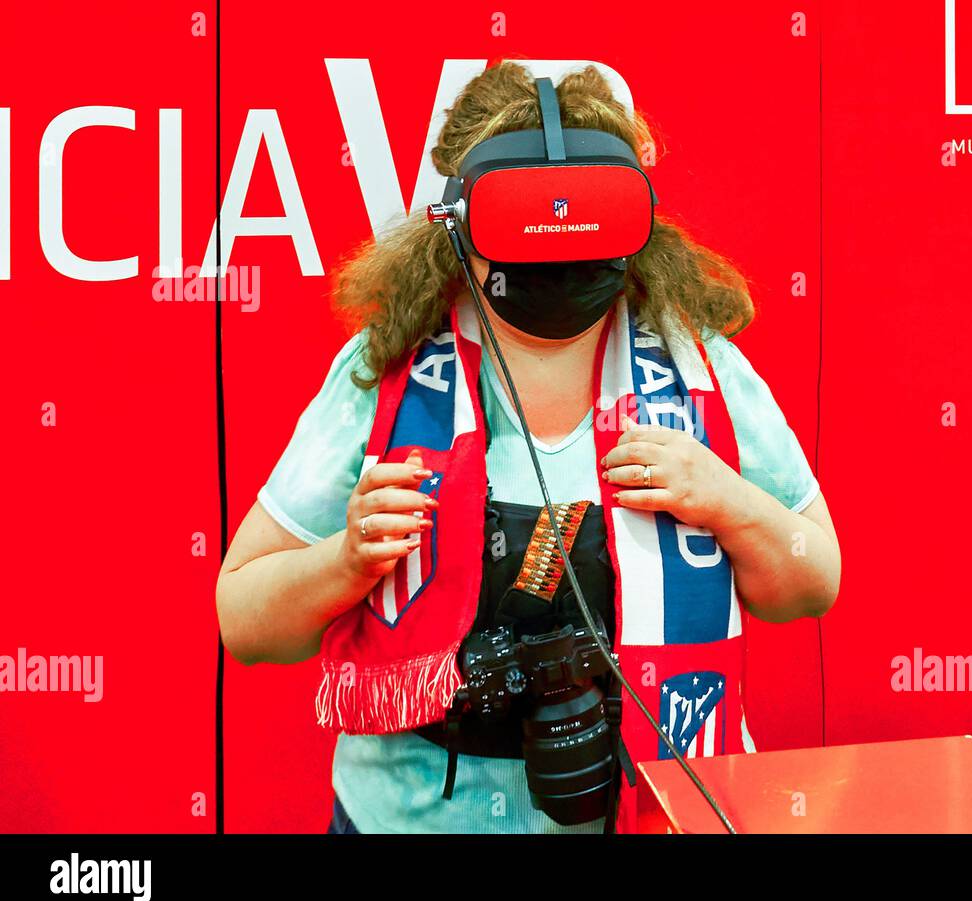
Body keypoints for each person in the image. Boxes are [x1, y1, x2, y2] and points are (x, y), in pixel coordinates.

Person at [215, 61, 840, 834]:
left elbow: (812, 582)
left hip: (650, 811)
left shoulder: (697, 363)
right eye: (530, 227)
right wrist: (343, 561)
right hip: (406, 818)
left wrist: (727, 498)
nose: (556, 254)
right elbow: (243, 621)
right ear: (458, 227)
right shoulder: (389, 368)